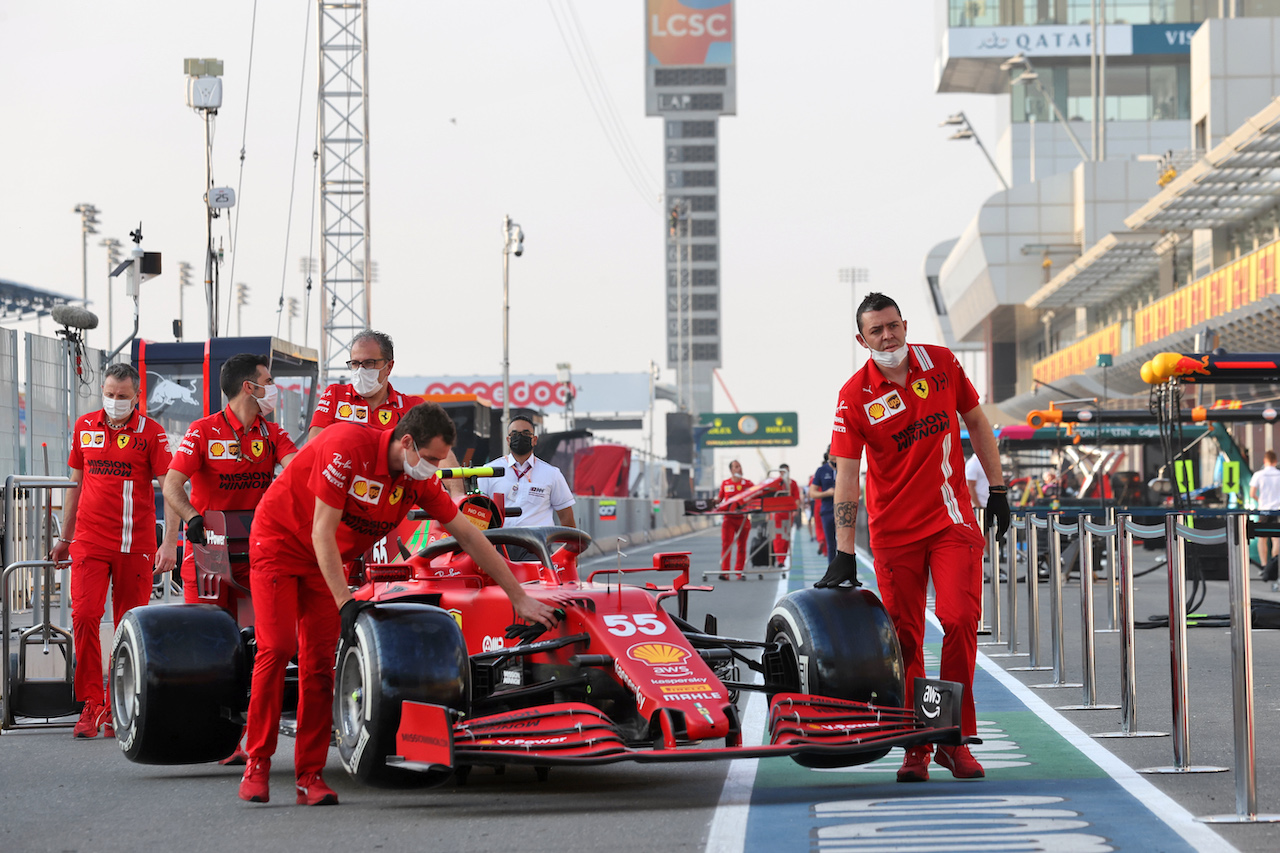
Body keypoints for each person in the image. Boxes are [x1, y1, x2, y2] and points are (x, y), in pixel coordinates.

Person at [239, 402, 559, 806]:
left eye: (439, 461)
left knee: (320, 665)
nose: (433, 468)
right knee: (279, 648)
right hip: (279, 545)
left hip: (327, 562)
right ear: (406, 442)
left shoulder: (418, 479)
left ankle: (310, 776)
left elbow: (471, 536)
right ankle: (258, 764)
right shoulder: (345, 447)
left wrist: (519, 596)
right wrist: (345, 603)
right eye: (429, 459)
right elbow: (322, 531)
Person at [824, 292, 1008, 784]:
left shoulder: (942, 363)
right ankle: (916, 746)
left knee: (960, 619)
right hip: (893, 534)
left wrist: (1000, 488)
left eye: (893, 326)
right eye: (876, 331)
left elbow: (977, 422)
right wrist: (844, 550)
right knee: (905, 641)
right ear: (861, 340)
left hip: (952, 522)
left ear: (904, 324)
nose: (888, 337)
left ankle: (953, 739)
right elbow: (847, 473)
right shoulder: (854, 395)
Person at [163, 353, 298, 765]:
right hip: (207, 555)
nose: (274, 388)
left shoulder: (273, 433)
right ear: (248, 387)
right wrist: (191, 519)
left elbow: (298, 471)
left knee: (264, 648)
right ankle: (206, 737)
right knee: (205, 653)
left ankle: (248, 741)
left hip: (259, 553)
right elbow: (172, 484)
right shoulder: (202, 432)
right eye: (268, 380)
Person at [50, 363, 178, 739]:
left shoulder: (152, 434)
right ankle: (91, 703)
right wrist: (64, 537)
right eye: (109, 394)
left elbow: (169, 490)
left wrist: (168, 542)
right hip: (89, 541)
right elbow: (74, 484)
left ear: (137, 397)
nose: (114, 402)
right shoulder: (85, 426)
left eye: (122, 396)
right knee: (85, 616)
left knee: (128, 627)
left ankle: (116, 702)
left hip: (134, 545)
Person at [307, 330, 423, 441]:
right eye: (355, 363)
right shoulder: (335, 395)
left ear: (389, 367)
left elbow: (439, 452)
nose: (360, 370)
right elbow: (314, 446)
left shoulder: (413, 407)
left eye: (369, 363)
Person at [479, 414, 576, 532]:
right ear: (508, 440)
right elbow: (479, 513)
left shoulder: (552, 474)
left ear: (534, 440)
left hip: (537, 545)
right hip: (500, 545)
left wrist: (568, 548)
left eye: (525, 434)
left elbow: (567, 518)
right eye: (514, 434)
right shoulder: (489, 471)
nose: (520, 437)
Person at [716, 460, 754, 580]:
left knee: (742, 546)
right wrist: (712, 503)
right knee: (726, 545)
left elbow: (757, 494)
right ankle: (725, 572)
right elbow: (719, 499)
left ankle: (739, 572)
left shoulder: (748, 483)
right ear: (731, 470)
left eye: (740, 466)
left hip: (743, 519)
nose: (739, 469)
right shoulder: (725, 483)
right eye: (736, 467)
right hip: (729, 519)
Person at [1251, 450, 1280, 575]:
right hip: (1277, 511)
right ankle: (1275, 565)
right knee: (1276, 539)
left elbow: (1252, 494)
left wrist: (1260, 500)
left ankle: (1264, 566)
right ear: (1275, 461)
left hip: (1264, 510)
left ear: (1264, 461)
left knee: (1262, 539)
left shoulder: (1258, 475)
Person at [809, 449, 836, 562]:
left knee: (846, 546)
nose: (835, 456)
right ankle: (833, 573)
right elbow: (812, 493)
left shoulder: (846, 468)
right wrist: (828, 493)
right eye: (833, 453)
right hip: (827, 510)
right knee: (831, 544)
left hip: (845, 511)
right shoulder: (821, 470)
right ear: (828, 455)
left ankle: (848, 573)